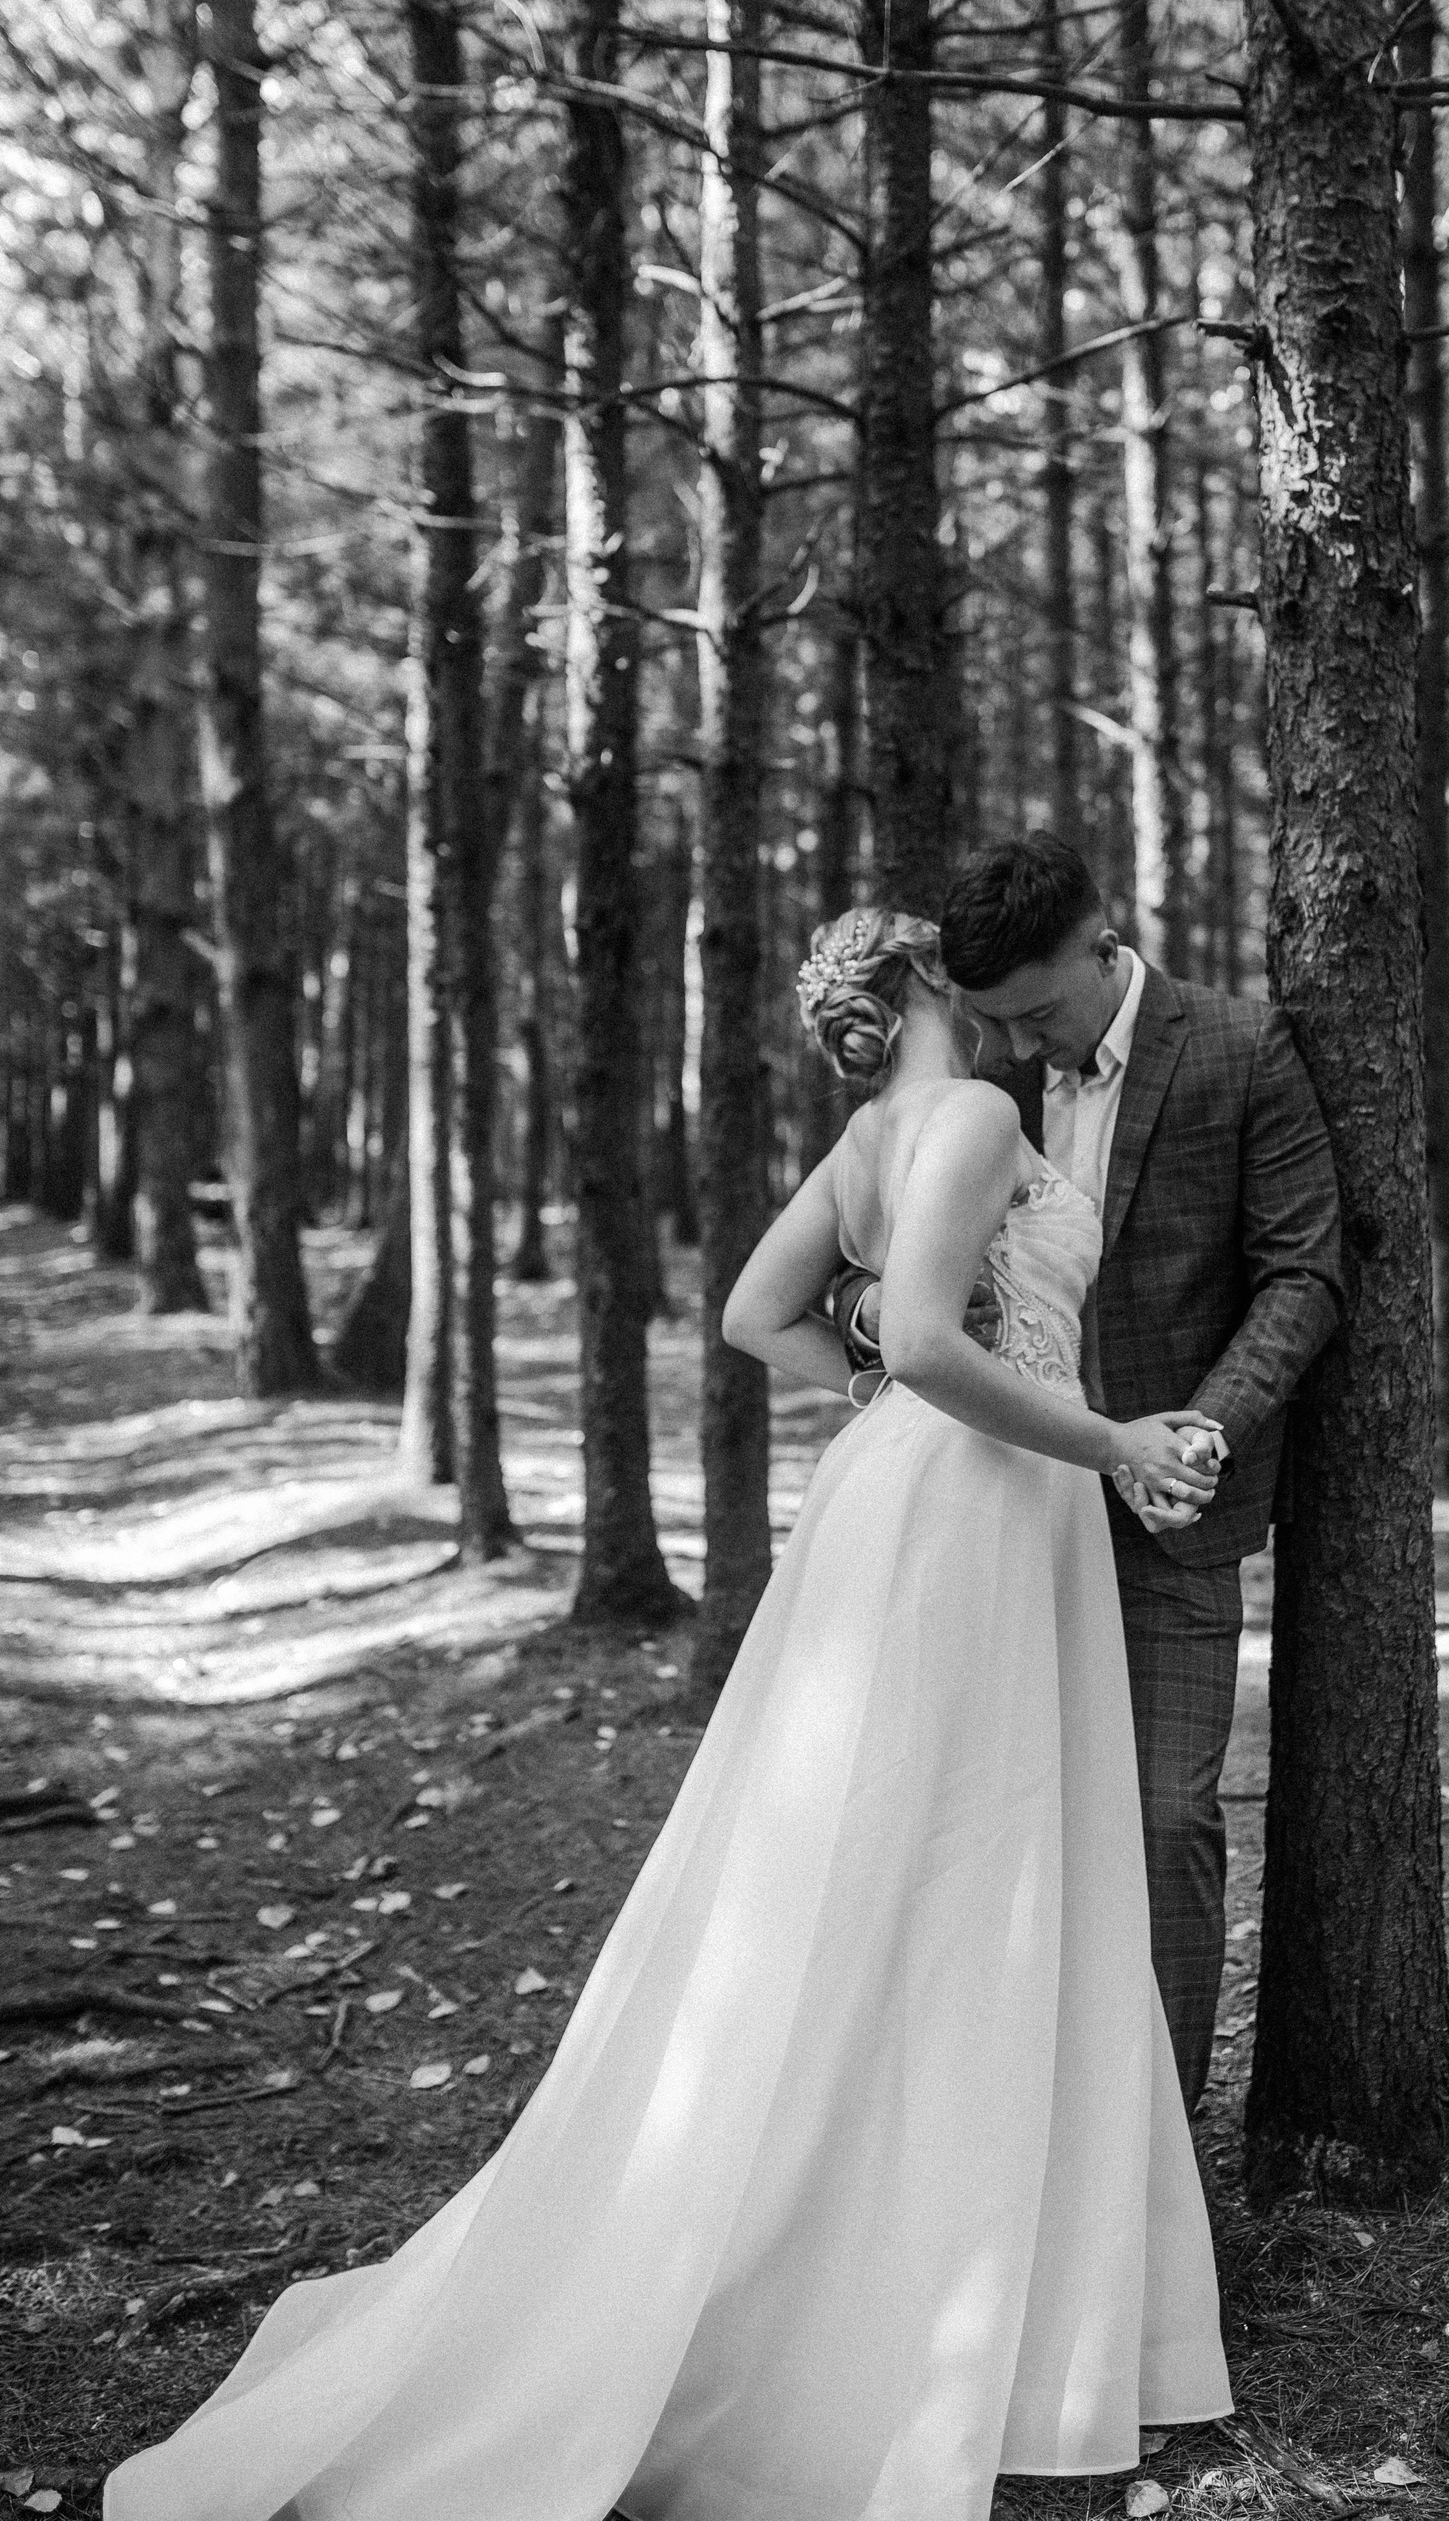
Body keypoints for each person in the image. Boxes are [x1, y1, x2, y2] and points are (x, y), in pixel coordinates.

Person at [105, 908, 1233, 2521]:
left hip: (922, 1495)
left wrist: (880, 1378)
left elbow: (759, 1315)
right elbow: (925, 1338)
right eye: (958, 970)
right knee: (968, 1870)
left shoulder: (866, 1142)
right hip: (987, 1502)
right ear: (929, 983)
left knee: (888, 1870)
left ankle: (906, 2248)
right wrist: (1108, 1439)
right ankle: (928, 2292)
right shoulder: (979, 1114)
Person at [832, 837, 1344, 2112]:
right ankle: (1001, 2132)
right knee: (985, 1820)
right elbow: (867, 1264)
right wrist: (875, 1323)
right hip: (998, 1502)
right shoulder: (976, 1082)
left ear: (1102, 945)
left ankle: (1153, 2153)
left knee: (1161, 1822)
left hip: (1165, 1509)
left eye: (1038, 1013)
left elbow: (1302, 1275)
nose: (1017, 1042)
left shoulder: (1240, 1048)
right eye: (994, 1019)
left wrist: (1198, 1435)